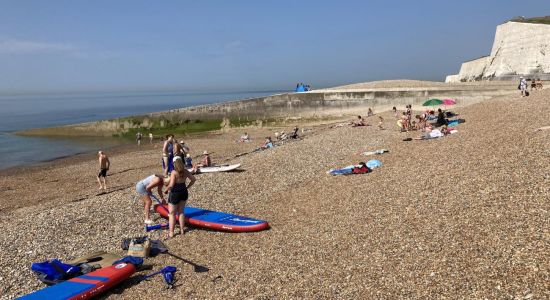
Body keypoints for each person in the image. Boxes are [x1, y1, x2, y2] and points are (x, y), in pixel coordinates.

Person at [165, 157, 196, 238]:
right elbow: (193, 179)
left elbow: (171, 185)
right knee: (181, 212)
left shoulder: (174, 172)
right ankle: (182, 230)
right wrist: (188, 186)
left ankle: (171, 232)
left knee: (172, 214)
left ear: (174, 164)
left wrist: (166, 189)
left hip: (175, 193)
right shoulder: (185, 171)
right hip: (184, 192)